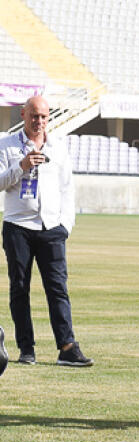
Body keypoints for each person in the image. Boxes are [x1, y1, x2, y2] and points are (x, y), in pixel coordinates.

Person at [0, 95, 92, 368]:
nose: (38, 121)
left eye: (43, 116)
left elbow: (67, 190)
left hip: (51, 228)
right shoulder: (6, 145)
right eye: (33, 116)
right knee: (19, 288)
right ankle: (26, 348)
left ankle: (67, 347)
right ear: (23, 115)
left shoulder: (59, 147)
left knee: (58, 289)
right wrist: (22, 166)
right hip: (18, 226)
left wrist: (65, 225)